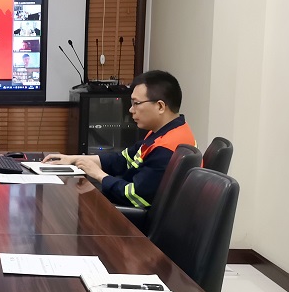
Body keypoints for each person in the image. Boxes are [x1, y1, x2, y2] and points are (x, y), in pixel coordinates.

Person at [43, 70, 196, 208]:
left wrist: (99, 175)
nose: (131, 110)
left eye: (136, 103)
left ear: (160, 106)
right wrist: (73, 159)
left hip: (135, 222)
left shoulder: (166, 148)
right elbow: (121, 160)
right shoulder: (168, 132)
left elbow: (136, 197)